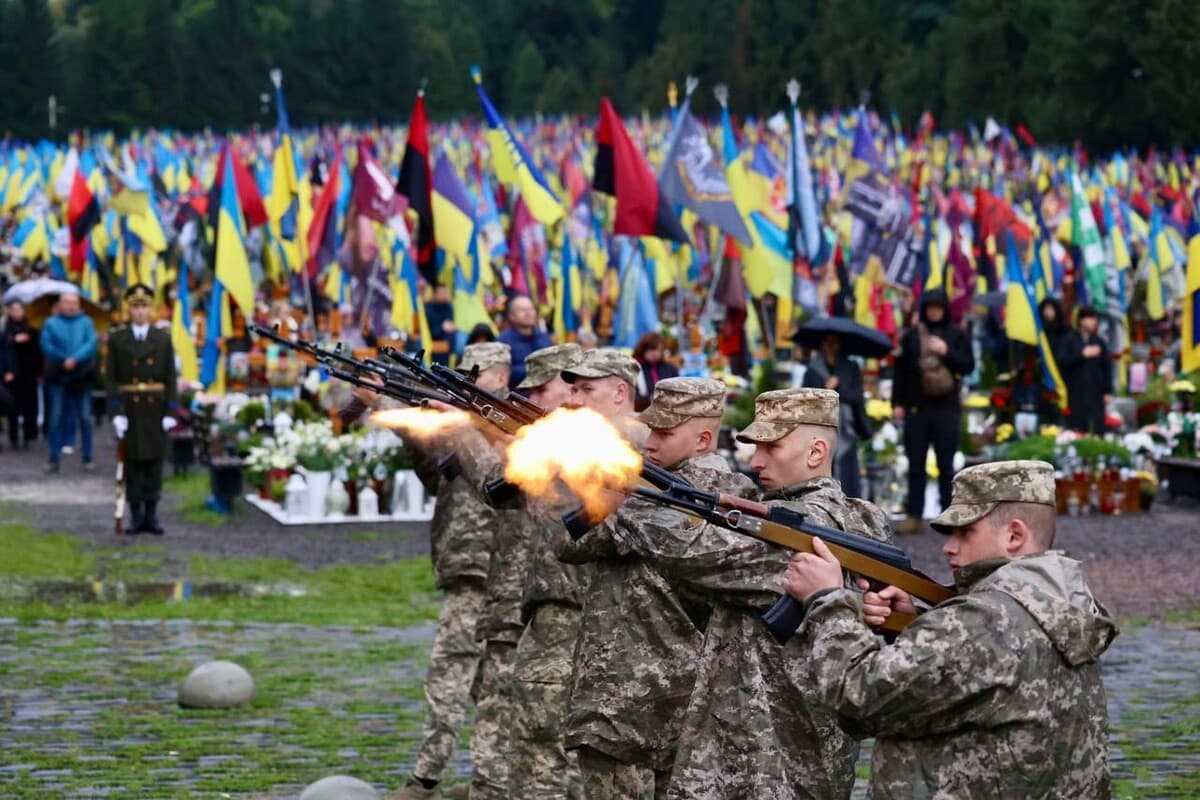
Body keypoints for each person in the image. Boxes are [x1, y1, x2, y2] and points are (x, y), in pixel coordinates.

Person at [608, 388, 892, 799]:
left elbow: (698, 553)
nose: (756, 462)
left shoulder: (811, 528)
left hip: (772, 760)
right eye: (755, 447)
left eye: (771, 447)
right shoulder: (851, 517)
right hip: (766, 748)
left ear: (816, 452)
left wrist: (622, 497)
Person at [782, 460, 1117, 798]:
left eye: (965, 532)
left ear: (1014, 535)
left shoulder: (983, 622)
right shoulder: (1061, 601)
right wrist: (915, 628)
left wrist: (826, 598)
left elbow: (857, 697)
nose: (948, 547)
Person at [558, 378, 756, 800]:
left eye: (665, 433)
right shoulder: (729, 492)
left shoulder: (667, 493)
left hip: (628, 697)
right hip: (690, 698)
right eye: (651, 429)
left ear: (703, 439)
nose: (650, 442)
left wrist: (602, 489)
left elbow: (571, 540)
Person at [891, 287, 974, 534]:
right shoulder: (912, 336)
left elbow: (968, 365)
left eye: (938, 307)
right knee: (915, 465)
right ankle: (914, 516)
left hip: (947, 409)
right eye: (930, 307)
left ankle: (948, 515)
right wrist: (897, 403)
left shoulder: (956, 334)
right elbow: (900, 371)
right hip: (917, 409)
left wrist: (946, 352)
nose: (934, 312)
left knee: (946, 465)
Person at [105, 285, 178, 533]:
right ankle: (136, 514)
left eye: (144, 306)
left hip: (155, 408)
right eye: (135, 306)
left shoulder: (162, 339)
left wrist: (171, 411)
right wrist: (116, 413)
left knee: (154, 461)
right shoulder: (118, 339)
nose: (140, 312)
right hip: (131, 409)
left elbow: (171, 377)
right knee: (133, 462)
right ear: (129, 309)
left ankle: (152, 514)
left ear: (151, 309)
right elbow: (111, 379)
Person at [802, 332, 871, 498]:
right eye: (828, 342)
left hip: (846, 429)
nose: (831, 346)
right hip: (820, 426)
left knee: (847, 471)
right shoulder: (813, 369)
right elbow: (805, 397)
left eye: (835, 342)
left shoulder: (850, 367)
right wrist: (824, 388)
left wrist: (837, 388)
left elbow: (857, 397)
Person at [40, 289, 99, 473]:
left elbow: (91, 343)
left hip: (82, 375)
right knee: (55, 418)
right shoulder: (51, 323)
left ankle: (87, 457)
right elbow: (46, 344)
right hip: (58, 375)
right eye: (67, 302)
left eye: (74, 303)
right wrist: (63, 358)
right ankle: (53, 458)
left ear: (79, 304)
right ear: (60, 304)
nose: (71, 306)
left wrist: (76, 358)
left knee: (85, 418)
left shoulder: (86, 322)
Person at [1062, 306, 1113, 434]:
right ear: (1081, 320)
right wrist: (1082, 355)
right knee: (1077, 426)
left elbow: (1107, 368)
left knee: (1096, 425)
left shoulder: (1099, 342)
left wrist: (1107, 391)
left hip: (1096, 392)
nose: (1094, 322)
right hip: (1076, 391)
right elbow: (1063, 361)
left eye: (1095, 319)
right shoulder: (1070, 339)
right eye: (1090, 318)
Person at [2, 299, 42, 449]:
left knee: (29, 406)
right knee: (12, 406)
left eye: (19, 309)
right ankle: (14, 437)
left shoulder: (31, 328)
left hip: (28, 372)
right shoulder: (5, 329)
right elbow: (3, 351)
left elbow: (37, 352)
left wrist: (39, 372)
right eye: (14, 310)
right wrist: (7, 370)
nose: (17, 313)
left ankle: (28, 436)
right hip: (12, 373)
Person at [497, 295, 553, 388]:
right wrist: (534, 367)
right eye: (522, 310)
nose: (528, 313)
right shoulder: (503, 341)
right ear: (512, 316)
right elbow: (501, 373)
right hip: (518, 393)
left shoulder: (544, 337)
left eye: (531, 309)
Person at [632, 332, 679, 411]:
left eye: (659, 350)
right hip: (641, 411)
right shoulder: (634, 369)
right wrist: (649, 399)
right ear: (643, 349)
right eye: (652, 349)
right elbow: (630, 397)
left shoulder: (670, 369)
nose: (656, 353)